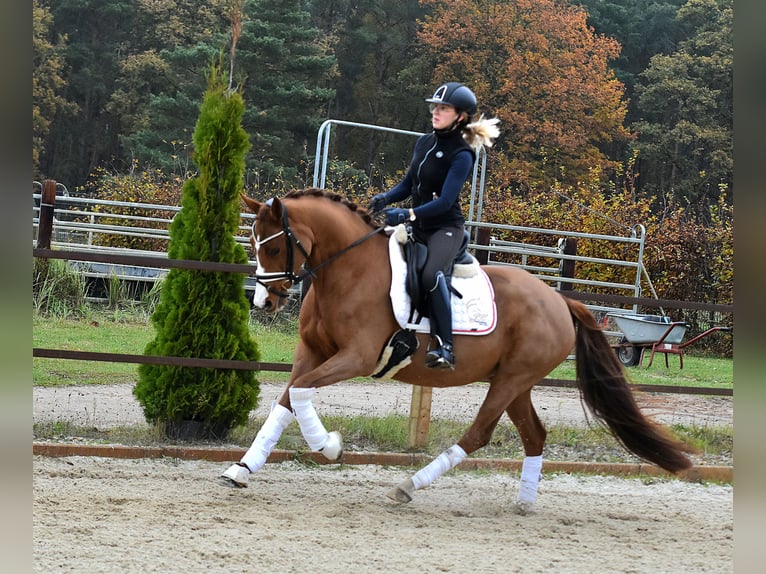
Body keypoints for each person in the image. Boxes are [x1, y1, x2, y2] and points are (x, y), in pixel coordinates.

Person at [370, 82, 499, 369]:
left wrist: (407, 214)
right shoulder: (424, 142)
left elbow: (444, 202)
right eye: (435, 107)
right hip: (419, 225)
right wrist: (385, 197)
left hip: (445, 229)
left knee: (431, 275)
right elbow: (408, 184)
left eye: (444, 108)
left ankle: (446, 347)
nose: (436, 112)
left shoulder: (462, 153)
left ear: (460, 116)